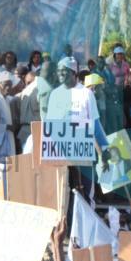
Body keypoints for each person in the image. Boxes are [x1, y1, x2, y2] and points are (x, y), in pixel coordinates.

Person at [45, 56, 113, 201]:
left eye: (64, 71)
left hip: (83, 155)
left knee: (85, 196)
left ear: (74, 73)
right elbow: (49, 126)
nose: (60, 74)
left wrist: (104, 149)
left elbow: (95, 125)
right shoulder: (55, 94)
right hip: (61, 155)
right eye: (58, 71)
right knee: (62, 196)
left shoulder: (87, 94)